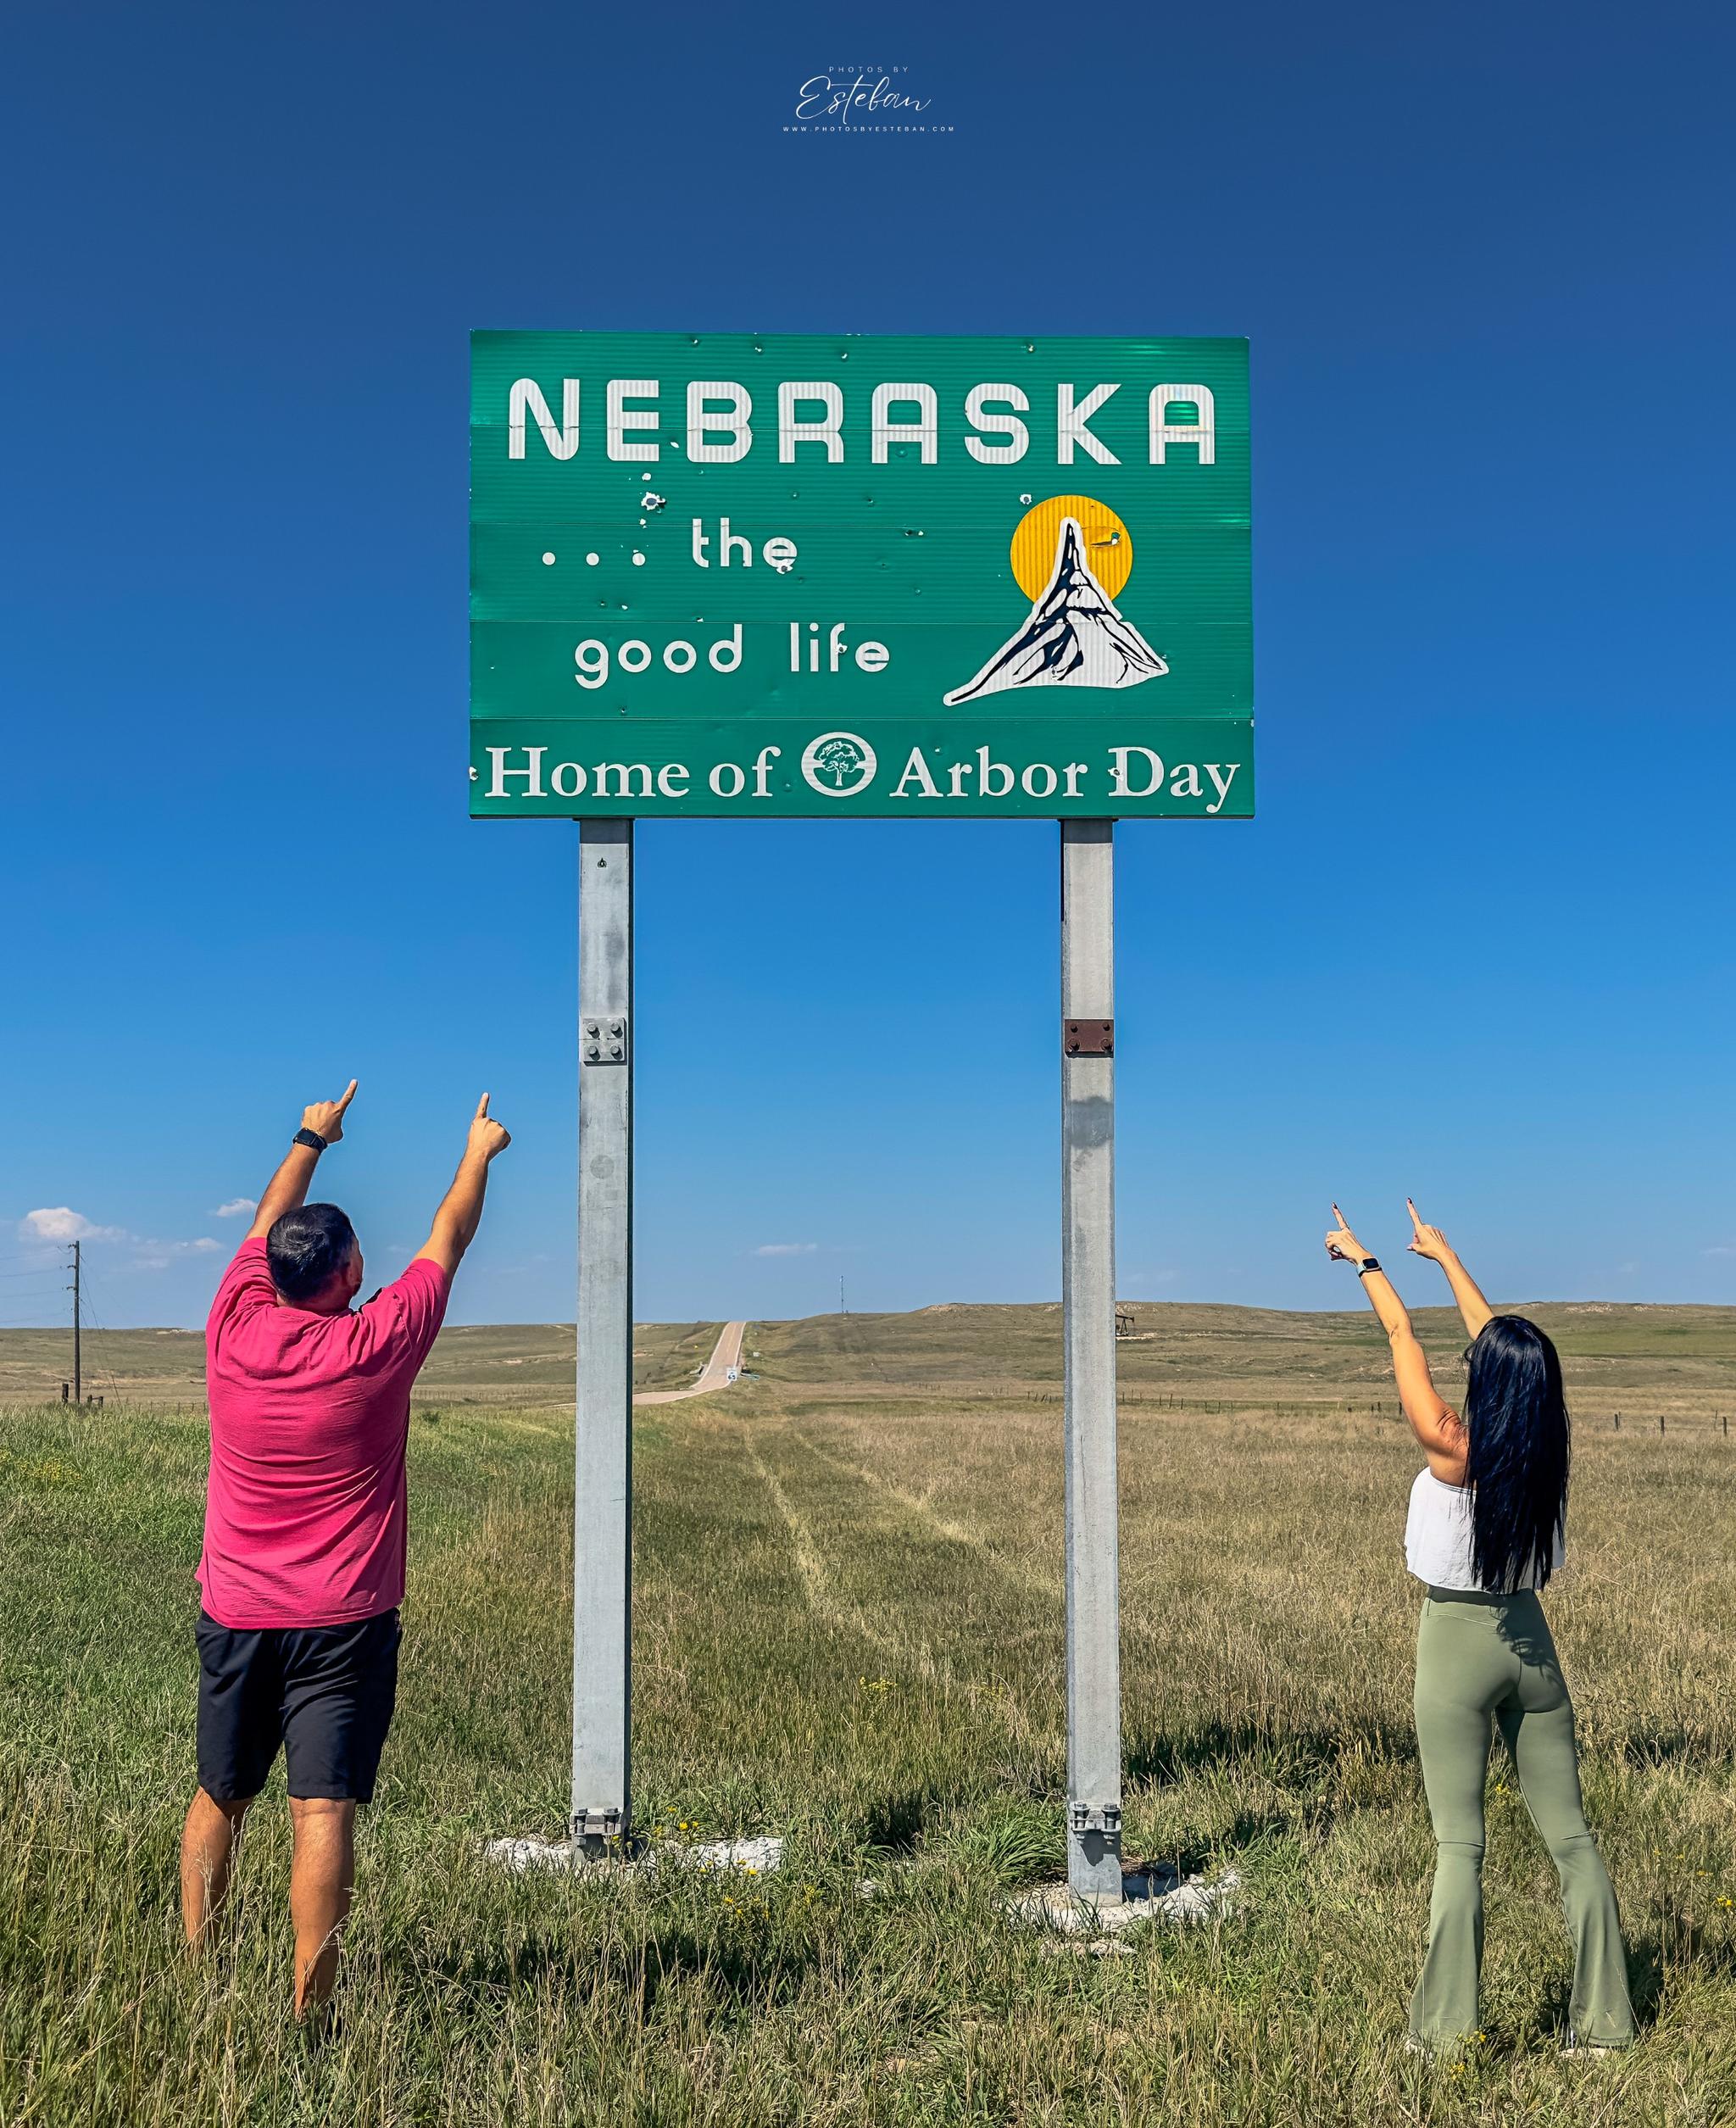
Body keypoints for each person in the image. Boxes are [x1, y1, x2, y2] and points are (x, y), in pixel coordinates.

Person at [181, 1080, 511, 2018]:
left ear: (275, 1276)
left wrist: (309, 1136)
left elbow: (264, 1220)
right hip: (342, 1620)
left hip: (237, 1611)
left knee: (220, 1791)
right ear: (348, 1272)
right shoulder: (375, 1342)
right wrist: (477, 1149)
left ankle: (198, 1974)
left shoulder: (232, 1323)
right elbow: (449, 1233)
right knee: (321, 1812)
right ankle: (310, 2012)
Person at [1323, 1200, 1634, 2058]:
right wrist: (1447, 1254)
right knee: (1570, 1837)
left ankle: (1446, 2033)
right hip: (1532, 1645)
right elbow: (1501, 1342)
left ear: (1486, 1380)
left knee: (1458, 1843)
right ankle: (1605, 2024)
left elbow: (1400, 1341)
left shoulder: (1449, 1443)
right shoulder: (1543, 1447)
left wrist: (1369, 1260)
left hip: (1455, 1643)